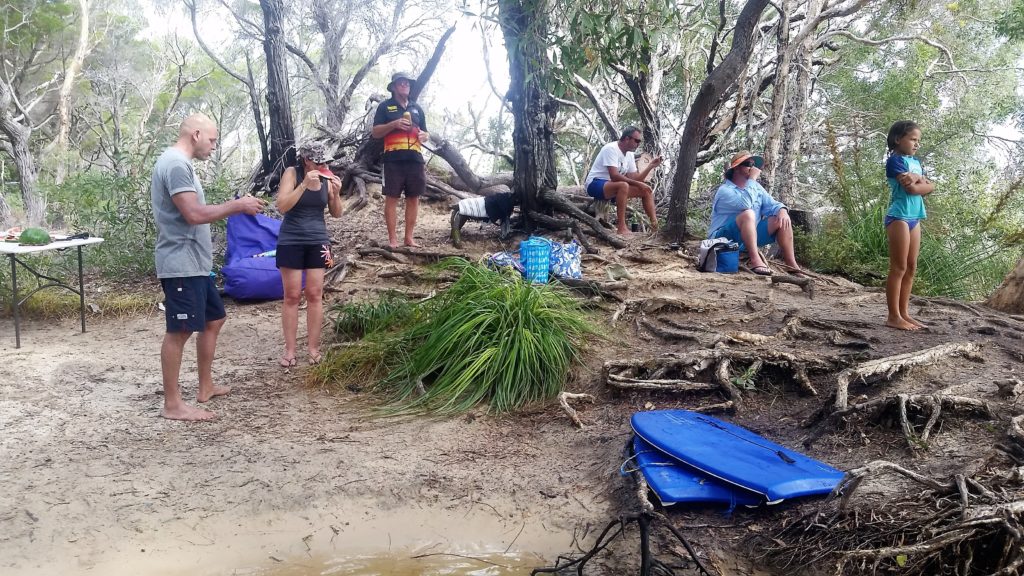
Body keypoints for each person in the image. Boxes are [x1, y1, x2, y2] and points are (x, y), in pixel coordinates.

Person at [151, 113, 265, 421]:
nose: (214, 146)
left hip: (195, 263)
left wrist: (231, 205)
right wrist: (237, 206)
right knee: (181, 330)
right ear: (196, 134)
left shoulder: (181, 164)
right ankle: (173, 405)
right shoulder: (175, 164)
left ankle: (205, 386)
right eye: (213, 140)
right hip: (180, 263)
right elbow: (192, 213)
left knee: (214, 318)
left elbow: (195, 210)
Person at [275, 142, 343, 366]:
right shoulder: (292, 173)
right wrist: (304, 184)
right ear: (306, 160)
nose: (322, 165)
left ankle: (314, 349)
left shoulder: (326, 178)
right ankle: (290, 351)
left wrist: (336, 194)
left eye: (325, 161)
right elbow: (282, 206)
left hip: (318, 241)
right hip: (291, 240)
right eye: (318, 161)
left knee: (315, 294)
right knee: (292, 295)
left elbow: (336, 213)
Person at [707, 151, 800, 276]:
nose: (752, 167)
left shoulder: (756, 187)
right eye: (748, 164)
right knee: (748, 214)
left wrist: (783, 211)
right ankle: (755, 260)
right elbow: (745, 204)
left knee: (781, 219)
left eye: (753, 164)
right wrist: (752, 179)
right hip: (722, 239)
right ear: (737, 168)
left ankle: (792, 266)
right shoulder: (724, 190)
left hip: (746, 240)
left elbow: (774, 205)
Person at [884, 120, 933, 330]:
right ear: (898, 139)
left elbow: (929, 186)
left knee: (911, 267)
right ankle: (893, 316)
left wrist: (920, 179)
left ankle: (904, 313)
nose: (916, 144)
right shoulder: (894, 162)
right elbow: (913, 190)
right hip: (899, 218)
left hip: (915, 218)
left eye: (918, 140)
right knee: (899, 267)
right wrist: (922, 182)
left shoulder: (915, 163)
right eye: (913, 139)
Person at [372, 72, 430, 248]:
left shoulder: (416, 108)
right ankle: (392, 240)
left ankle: (409, 238)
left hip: (415, 158)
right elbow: (375, 132)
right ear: (394, 87)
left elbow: (426, 133)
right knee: (392, 198)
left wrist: (424, 135)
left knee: (413, 198)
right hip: (392, 159)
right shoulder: (385, 107)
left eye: (407, 83)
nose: (405, 85)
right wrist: (394, 124)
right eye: (401, 83)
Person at [583, 126, 662, 236]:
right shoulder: (610, 149)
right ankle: (621, 227)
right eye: (637, 140)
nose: (638, 144)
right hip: (595, 184)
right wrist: (638, 183)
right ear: (626, 139)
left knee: (646, 190)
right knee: (623, 185)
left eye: (640, 141)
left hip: (614, 187)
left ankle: (655, 227)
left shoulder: (629, 154)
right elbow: (614, 176)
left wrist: (650, 166)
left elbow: (635, 178)